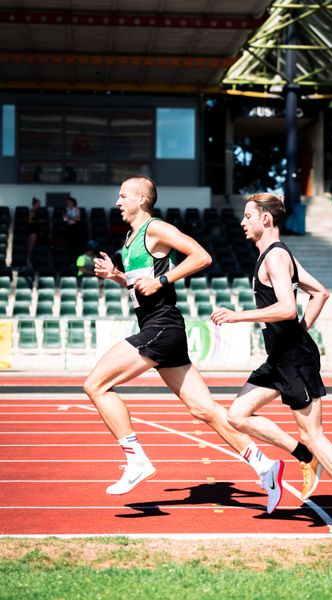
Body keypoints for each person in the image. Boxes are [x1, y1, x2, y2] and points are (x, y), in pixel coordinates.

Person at [83, 176, 285, 514]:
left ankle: (135, 461)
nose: (118, 202)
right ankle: (265, 466)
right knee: (204, 410)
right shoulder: (132, 238)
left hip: (162, 327)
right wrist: (116, 276)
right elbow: (140, 283)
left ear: (143, 199)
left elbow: (201, 256)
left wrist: (164, 279)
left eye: (123, 196)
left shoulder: (155, 228)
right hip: (158, 327)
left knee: (95, 385)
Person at [211, 193, 332, 534]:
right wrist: (300, 332)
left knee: (315, 435)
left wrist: (238, 316)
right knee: (237, 414)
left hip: (294, 360)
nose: (243, 222)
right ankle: (305, 457)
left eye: (248, 216)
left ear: (266, 220)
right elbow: (320, 293)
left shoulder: (275, 258)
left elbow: (287, 308)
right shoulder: (279, 255)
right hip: (281, 356)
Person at [64, 197, 81, 264]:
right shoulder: (66, 210)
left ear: (73, 203)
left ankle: (75, 260)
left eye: (69, 202)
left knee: (74, 244)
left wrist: (70, 217)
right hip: (68, 227)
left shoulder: (76, 209)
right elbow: (65, 219)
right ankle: (69, 261)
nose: (68, 204)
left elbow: (77, 219)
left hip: (75, 228)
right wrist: (71, 218)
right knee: (69, 245)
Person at [27, 198, 43, 263]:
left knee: (34, 246)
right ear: (35, 204)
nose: (39, 205)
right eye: (38, 204)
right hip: (33, 230)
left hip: (36, 230)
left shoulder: (37, 211)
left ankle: (32, 259)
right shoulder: (32, 211)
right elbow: (29, 221)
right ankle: (28, 260)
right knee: (31, 246)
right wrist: (38, 221)